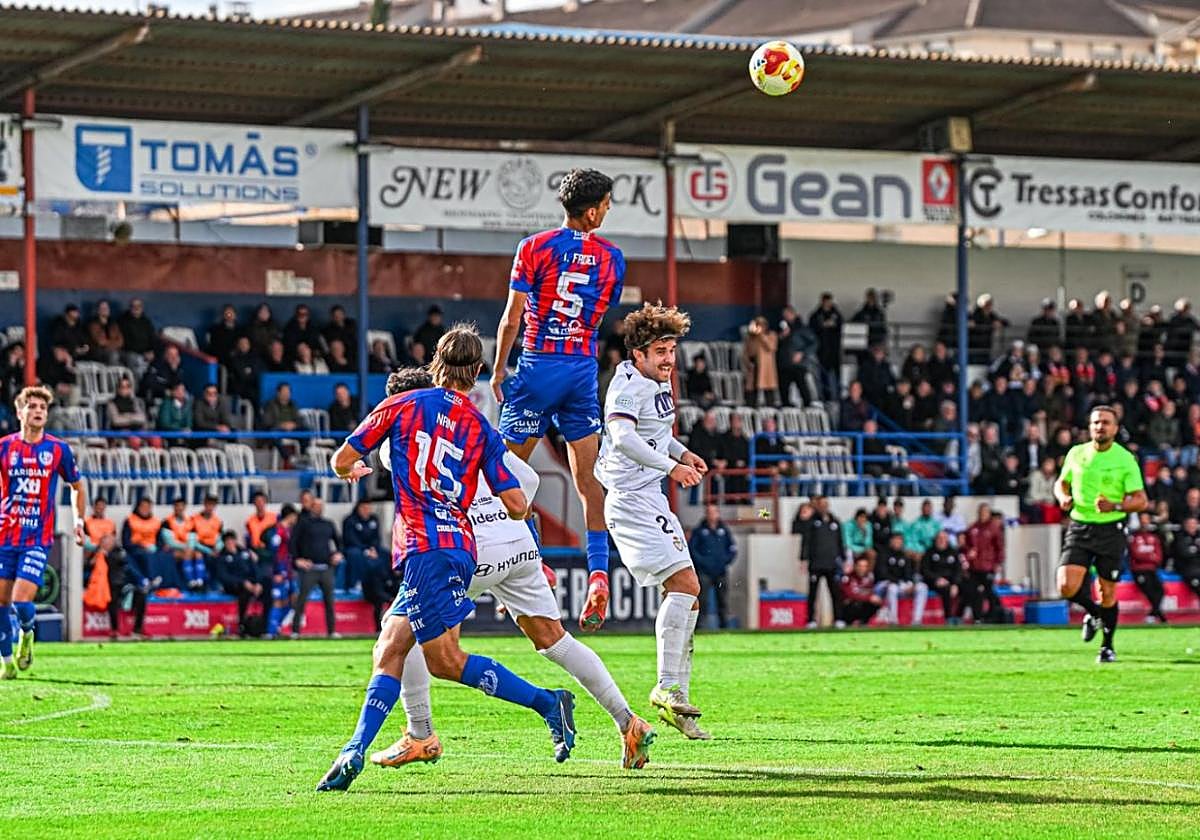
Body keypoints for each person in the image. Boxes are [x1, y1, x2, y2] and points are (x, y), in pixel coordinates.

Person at [319, 330, 580, 791]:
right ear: (477, 373)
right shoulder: (479, 425)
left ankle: (548, 702)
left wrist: (353, 469)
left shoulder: (401, 405)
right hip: (459, 546)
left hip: (425, 548)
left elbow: (342, 459)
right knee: (390, 647)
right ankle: (352, 751)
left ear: (434, 363)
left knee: (444, 660)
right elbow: (518, 504)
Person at [362, 366, 652, 773]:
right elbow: (527, 483)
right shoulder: (474, 425)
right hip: (515, 543)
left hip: (464, 547)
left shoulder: (402, 434)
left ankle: (420, 733)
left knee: (400, 639)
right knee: (556, 641)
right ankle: (629, 721)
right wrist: (535, 553)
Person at [491, 168, 625, 633]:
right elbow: (598, 312)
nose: (608, 210)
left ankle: (536, 565)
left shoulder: (533, 248)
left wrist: (498, 368)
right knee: (589, 480)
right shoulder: (613, 258)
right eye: (606, 204)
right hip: (581, 373)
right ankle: (599, 576)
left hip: (537, 366)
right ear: (592, 211)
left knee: (507, 477)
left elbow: (512, 318)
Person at [595, 303, 713, 740]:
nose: (668, 359)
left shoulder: (656, 382)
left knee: (691, 597)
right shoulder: (626, 384)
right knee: (685, 586)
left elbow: (656, 432)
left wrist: (681, 453)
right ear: (637, 355)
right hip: (630, 501)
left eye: (671, 350)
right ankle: (666, 689)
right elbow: (624, 436)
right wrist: (670, 467)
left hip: (651, 498)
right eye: (659, 351)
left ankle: (676, 701)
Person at [0, 386, 85, 677]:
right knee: (0, 602)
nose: (38, 411)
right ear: (20, 411)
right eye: (32, 406)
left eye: (43, 408)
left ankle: (26, 633)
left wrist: (78, 520)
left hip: (37, 537)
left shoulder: (57, 449)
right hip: (4, 536)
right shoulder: (4, 447)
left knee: (21, 600)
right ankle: (7, 662)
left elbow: (76, 487)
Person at [1054, 406, 1148, 663]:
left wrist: (1115, 505)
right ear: (1089, 427)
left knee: (1107, 590)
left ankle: (1107, 646)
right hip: (1080, 525)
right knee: (1065, 585)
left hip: (1111, 529)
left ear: (1115, 429)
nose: (1100, 427)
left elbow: (1141, 500)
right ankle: (1095, 614)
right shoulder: (1077, 453)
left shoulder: (1125, 459)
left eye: (1106, 422)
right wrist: (1063, 496)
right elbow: (1061, 482)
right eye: (1096, 422)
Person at [289, 497, 343, 638]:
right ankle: (295, 630)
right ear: (311, 507)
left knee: (329, 601)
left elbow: (339, 542)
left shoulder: (328, 524)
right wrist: (297, 560)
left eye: (320, 506)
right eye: (315, 505)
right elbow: (293, 543)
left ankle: (331, 631)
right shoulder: (302, 524)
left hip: (326, 567)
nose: (318, 508)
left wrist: (338, 554)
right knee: (302, 600)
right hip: (309, 568)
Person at [792, 496, 845, 629]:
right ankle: (811, 620)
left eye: (825, 504)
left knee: (835, 593)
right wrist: (803, 559)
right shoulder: (811, 523)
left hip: (832, 563)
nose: (824, 507)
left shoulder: (835, 522)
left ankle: (838, 618)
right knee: (813, 593)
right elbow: (806, 542)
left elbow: (840, 543)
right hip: (816, 563)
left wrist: (843, 559)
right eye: (821, 504)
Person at [90, 531, 149, 640]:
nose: (107, 545)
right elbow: (91, 566)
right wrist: (99, 556)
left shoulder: (120, 552)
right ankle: (114, 629)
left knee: (141, 595)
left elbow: (125, 564)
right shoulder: (98, 554)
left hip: (123, 584)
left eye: (109, 542)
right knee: (112, 598)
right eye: (105, 543)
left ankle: (137, 629)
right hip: (107, 586)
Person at [688, 504, 737, 630]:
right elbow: (693, 550)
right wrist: (703, 563)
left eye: (714, 512)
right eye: (709, 512)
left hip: (720, 571)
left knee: (723, 600)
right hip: (704, 572)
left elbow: (732, 549)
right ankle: (699, 627)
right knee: (702, 600)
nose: (712, 515)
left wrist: (724, 562)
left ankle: (724, 627)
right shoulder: (699, 531)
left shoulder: (724, 530)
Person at [214, 531, 270, 638]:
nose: (230, 543)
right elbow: (224, 576)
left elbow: (255, 568)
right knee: (245, 593)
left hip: (251, 583)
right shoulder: (222, 557)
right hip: (234, 585)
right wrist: (242, 582)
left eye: (232, 540)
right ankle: (242, 625)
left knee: (268, 590)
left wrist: (258, 582)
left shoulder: (244, 553)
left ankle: (266, 625)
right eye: (228, 541)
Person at [962, 503, 1004, 622]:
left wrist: (997, 563)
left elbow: (999, 548)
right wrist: (968, 553)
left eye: (985, 512)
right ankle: (977, 617)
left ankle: (993, 616)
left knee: (989, 592)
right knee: (975, 592)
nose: (982, 515)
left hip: (988, 566)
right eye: (981, 512)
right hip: (975, 566)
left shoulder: (994, 529)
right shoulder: (972, 528)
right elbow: (965, 544)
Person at [875, 531, 928, 626]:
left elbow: (909, 575)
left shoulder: (905, 556)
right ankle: (893, 620)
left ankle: (916, 621)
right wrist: (900, 583)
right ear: (891, 541)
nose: (898, 542)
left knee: (922, 587)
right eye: (895, 540)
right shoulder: (883, 554)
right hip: (884, 585)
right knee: (892, 588)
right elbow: (882, 574)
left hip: (902, 586)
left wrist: (911, 585)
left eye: (900, 540)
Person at [1128, 513, 1167, 623]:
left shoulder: (1154, 537)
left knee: (1160, 590)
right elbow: (1136, 554)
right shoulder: (1134, 537)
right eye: (1142, 519)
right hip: (1138, 570)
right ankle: (1158, 615)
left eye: (1146, 519)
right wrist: (1150, 556)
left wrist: (1147, 556)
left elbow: (1159, 557)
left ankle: (1153, 614)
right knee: (1148, 589)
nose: (1145, 522)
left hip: (1152, 569)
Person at [921, 531, 964, 625]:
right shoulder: (929, 552)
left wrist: (955, 584)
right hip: (934, 582)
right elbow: (925, 570)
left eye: (944, 538)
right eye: (939, 538)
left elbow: (958, 570)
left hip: (951, 581)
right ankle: (948, 618)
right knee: (946, 589)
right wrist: (936, 579)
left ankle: (960, 616)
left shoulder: (953, 552)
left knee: (968, 588)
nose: (942, 540)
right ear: (936, 540)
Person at [160, 498, 203, 591]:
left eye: (181, 506)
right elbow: (170, 542)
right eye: (177, 506)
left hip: (187, 549)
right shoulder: (167, 522)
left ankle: (199, 581)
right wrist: (186, 547)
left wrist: (190, 548)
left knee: (198, 554)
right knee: (187, 554)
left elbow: (193, 539)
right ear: (174, 507)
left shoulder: (190, 521)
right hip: (173, 549)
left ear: (185, 507)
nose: (179, 508)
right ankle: (191, 582)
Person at [341, 499, 382, 592]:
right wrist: (366, 550)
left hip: (371, 549)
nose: (366, 510)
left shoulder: (374, 519)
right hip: (354, 547)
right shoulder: (350, 520)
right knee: (355, 554)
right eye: (364, 508)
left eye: (368, 508)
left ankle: (387, 582)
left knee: (386, 553)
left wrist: (373, 549)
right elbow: (350, 539)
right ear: (358, 508)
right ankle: (355, 583)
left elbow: (377, 537)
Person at [840, 556, 882, 626]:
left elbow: (870, 592)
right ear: (855, 566)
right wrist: (868, 598)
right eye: (860, 566)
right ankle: (850, 622)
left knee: (874, 602)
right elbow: (850, 594)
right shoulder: (848, 578)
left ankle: (863, 622)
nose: (862, 569)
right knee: (856, 603)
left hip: (863, 605)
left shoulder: (868, 579)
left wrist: (873, 598)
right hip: (849, 607)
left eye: (864, 566)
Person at [1170, 515, 1200, 601]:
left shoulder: (1198, 536)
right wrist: (1197, 550)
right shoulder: (1179, 538)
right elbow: (1184, 554)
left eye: (1194, 524)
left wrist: (1195, 550)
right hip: (1187, 569)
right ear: (1185, 525)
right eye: (1189, 524)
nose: (1192, 526)